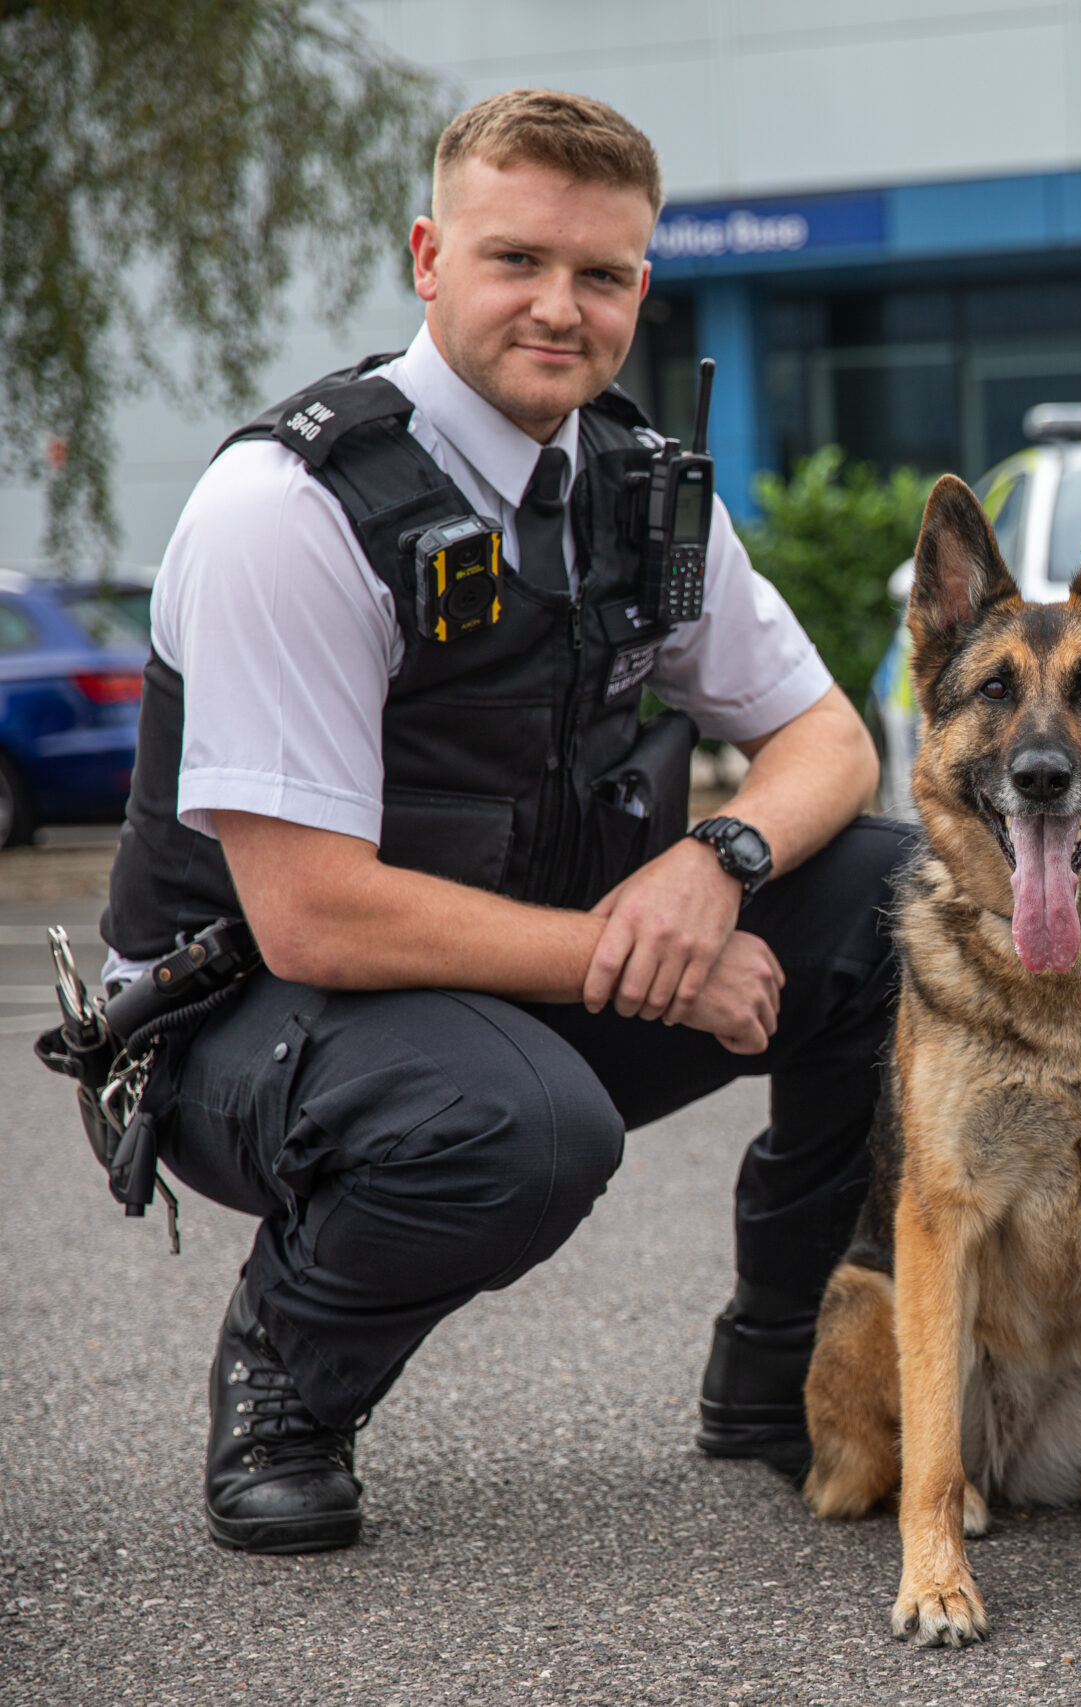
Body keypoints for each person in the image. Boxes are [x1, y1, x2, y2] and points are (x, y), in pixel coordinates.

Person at [101, 88, 912, 1555]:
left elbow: (828, 740)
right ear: (427, 257)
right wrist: (638, 951)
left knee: (905, 911)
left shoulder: (636, 485)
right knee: (529, 1130)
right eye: (515, 260)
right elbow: (313, 915)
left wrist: (713, 863)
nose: (562, 308)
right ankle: (287, 1387)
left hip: (511, 967)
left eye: (601, 275)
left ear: (641, 289)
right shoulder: (287, 511)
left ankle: (785, 1372)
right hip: (248, 1015)